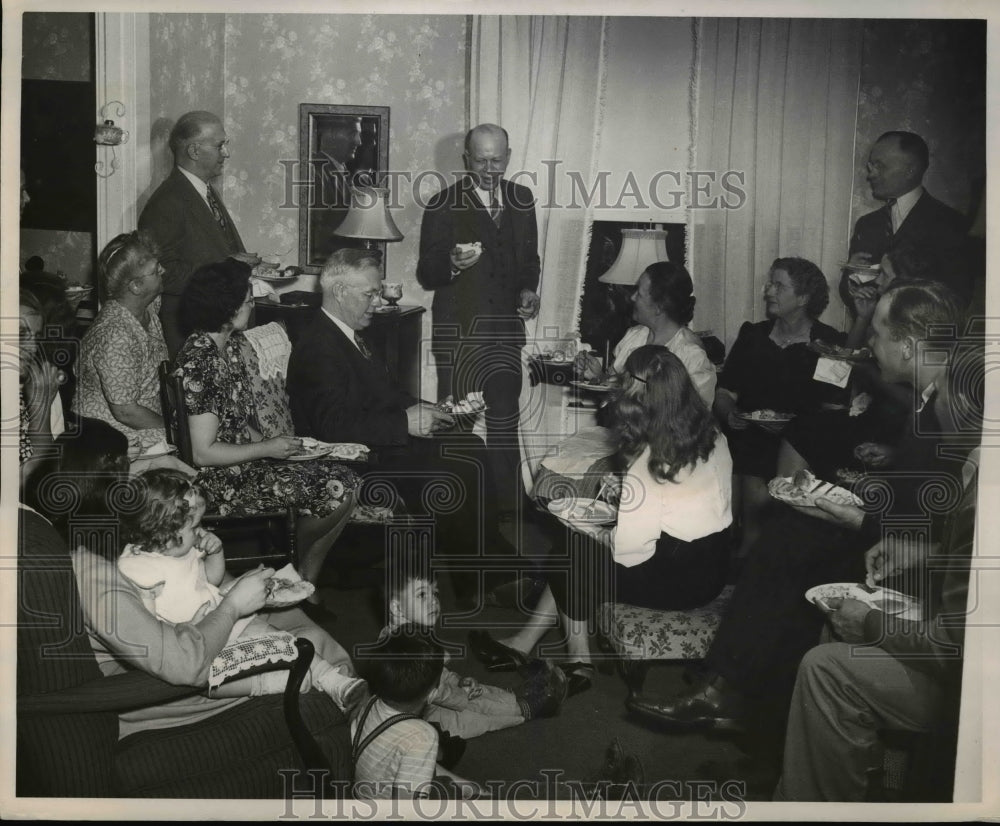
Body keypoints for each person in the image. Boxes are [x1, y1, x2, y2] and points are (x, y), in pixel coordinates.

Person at [626, 281, 975, 747]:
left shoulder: (961, 402)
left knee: (790, 547)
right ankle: (735, 688)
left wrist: (864, 520)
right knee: (789, 537)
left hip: (942, 581)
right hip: (912, 546)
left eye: (877, 333)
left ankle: (736, 692)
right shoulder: (930, 394)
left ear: (909, 348)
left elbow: (965, 518)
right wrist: (876, 495)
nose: (869, 343)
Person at [471, 345, 733, 696]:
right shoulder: (713, 435)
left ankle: (579, 661)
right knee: (576, 549)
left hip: (677, 582)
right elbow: (687, 505)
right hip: (713, 567)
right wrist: (625, 498)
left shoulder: (650, 459)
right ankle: (524, 641)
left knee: (570, 547)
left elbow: (629, 554)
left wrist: (592, 527)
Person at [286, 248, 514, 603]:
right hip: (352, 459)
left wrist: (424, 408)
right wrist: (405, 423)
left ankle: (493, 567)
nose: (377, 301)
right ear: (340, 292)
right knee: (452, 469)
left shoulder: (350, 333)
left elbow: (384, 393)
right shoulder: (319, 346)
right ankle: (480, 584)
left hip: (379, 443)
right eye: (369, 294)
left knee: (470, 446)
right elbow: (331, 426)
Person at [773, 456, 978, 802]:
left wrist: (870, 623)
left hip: (970, 693)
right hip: (967, 657)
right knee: (836, 629)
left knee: (825, 667)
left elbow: (953, 649)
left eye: (934, 395)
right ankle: (864, 783)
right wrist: (928, 553)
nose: (930, 399)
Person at [174, 258, 360, 618]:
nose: (251, 305)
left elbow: (239, 420)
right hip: (221, 483)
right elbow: (202, 453)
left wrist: (283, 449)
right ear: (225, 308)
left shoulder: (228, 347)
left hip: (245, 465)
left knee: (346, 479)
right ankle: (300, 580)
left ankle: (303, 581)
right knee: (341, 488)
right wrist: (267, 449)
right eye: (246, 300)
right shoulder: (201, 361)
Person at [115, 468, 367, 713]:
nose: (201, 532)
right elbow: (148, 634)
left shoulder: (179, 548)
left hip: (223, 618)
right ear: (165, 533)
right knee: (212, 683)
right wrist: (184, 630)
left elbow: (210, 581)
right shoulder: (139, 569)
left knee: (285, 640)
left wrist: (216, 553)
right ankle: (278, 683)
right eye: (194, 529)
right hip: (193, 648)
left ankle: (335, 681)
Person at [417, 123, 541, 518]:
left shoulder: (522, 198)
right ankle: (458, 513)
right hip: (461, 336)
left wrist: (528, 292)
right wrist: (450, 264)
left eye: (498, 160)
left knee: (505, 422)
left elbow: (529, 262)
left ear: (509, 155)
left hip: (506, 334)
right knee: (459, 424)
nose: (490, 168)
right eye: (482, 160)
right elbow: (426, 272)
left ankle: (509, 516)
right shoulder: (442, 203)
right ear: (467, 159)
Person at [713, 256, 845, 560]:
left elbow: (835, 405)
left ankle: (752, 551)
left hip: (801, 444)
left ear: (803, 297)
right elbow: (725, 391)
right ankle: (743, 547)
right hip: (747, 435)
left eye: (778, 285)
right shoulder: (753, 335)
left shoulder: (828, 342)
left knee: (761, 456)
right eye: (770, 283)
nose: (768, 291)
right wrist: (729, 413)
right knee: (745, 448)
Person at [378, 549, 566, 739]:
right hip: (419, 721)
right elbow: (435, 693)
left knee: (477, 693)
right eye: (421, 595)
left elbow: (439, 676)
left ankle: (511, 700)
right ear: (396, 607)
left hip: (434, 698)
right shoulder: (403, 650)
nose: (433, 601)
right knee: (474, 717)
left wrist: (458, 681)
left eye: (434, 592)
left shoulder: (411, 632)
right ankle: (529, 708)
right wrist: (461, 694)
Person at [139, 110, 257, 356]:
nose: (226, 153)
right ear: (194, 151)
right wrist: (226, 266)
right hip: (190, 333)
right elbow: (164, 273)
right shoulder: (167, 202)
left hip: (216, 331)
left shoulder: (205, 191)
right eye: (219, 145)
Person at [843, 131, 970, 320]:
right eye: (871, 166)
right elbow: (849, 294)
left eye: (879, 166)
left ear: (910, 170)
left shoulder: (951, 223)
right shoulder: (867, 224)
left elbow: (959, 296)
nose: (871, 174)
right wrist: (851, 278)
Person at [352, 625, 482, 800]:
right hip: (388, 808)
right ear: (433, 695)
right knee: (474, 799)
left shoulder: (371, 701)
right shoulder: (423, 736)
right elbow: (407, 810)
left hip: (366, 792)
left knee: (465, 785)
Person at [74, 231, 169, 454]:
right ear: (135, 287)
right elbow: (125, 412)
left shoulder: (148, 306)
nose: (163, 270)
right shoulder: (115, 336)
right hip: (113, 438)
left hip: (142, 422)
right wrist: (175, 425)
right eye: (155, 271)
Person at [574, 261, 716, 406]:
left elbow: (692, 417)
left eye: (639, 294)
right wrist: (598, 377)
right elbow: (614, 399)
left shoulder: (691, 354)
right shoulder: (634, 336)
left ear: (658, 307)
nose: (632, 298)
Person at [18, 289, 65, 490]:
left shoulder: (23, 383)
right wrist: (41, 408)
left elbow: (52, 467)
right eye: (21, 335)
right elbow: (21, 482)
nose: (33, 347)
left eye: (35, 336)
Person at [310, 116, 366, 263]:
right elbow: (318, 235)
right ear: (332, 135)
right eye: (353, 133)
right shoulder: (316, 172)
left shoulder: (339, 169)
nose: (359, 141)